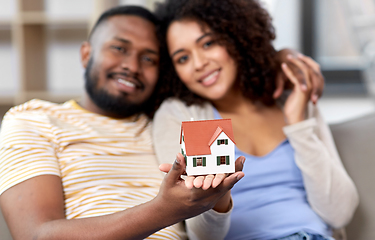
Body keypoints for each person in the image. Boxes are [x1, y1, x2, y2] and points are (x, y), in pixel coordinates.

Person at [0, 6, 246, 240]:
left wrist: (215, 198)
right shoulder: (33, 119)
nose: (132, 66)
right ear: (87, 54)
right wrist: (165, 210)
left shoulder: (165, 125)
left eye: (149, 58)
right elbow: (36, 235)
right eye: (119, 48)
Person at [152, 0, 360, 239]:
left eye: (208, 43)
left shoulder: (292, 99)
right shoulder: (182, 114)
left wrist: (298, 124)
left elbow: (339, 213)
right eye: (182, 58)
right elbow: (204, 236)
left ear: (236, 35)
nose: (199, 64)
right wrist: (217, 195)